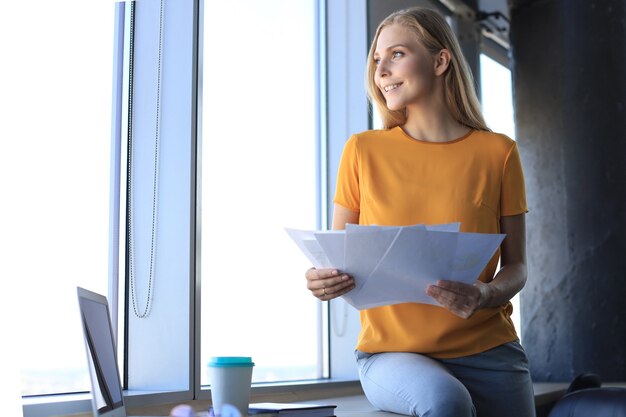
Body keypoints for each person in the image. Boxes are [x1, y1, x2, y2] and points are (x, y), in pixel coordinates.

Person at [304, 6, 535, 417]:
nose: (382, 71)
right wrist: (324, 279)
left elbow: (516, 266)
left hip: (490, 350)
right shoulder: (362, 151)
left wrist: (485, 294)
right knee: (445, 402)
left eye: (396, 55)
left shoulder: (498, 153)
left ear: (441, 60)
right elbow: (337, 257)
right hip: (393, 354)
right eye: (377, 60)